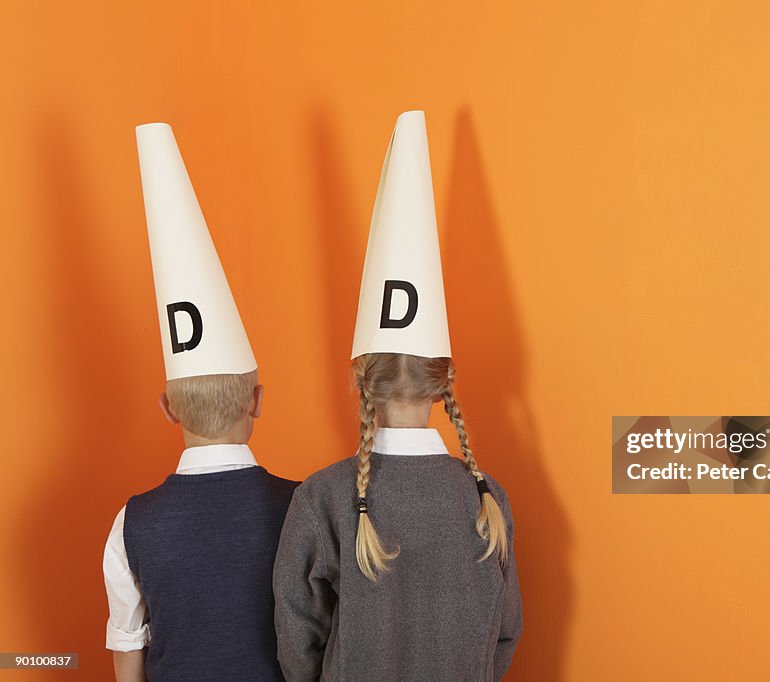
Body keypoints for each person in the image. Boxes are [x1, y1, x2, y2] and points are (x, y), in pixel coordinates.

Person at [273, 111, 522, 680]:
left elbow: (296, 633)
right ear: (444, 383)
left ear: (361, 379)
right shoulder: (487, 501)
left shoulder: (323, 497)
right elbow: (504, 633)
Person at [103, 123, 297, 682]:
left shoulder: (131, 523)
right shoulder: (305, 507)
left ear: (168, 408)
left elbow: (127, 656)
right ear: (256, 401)